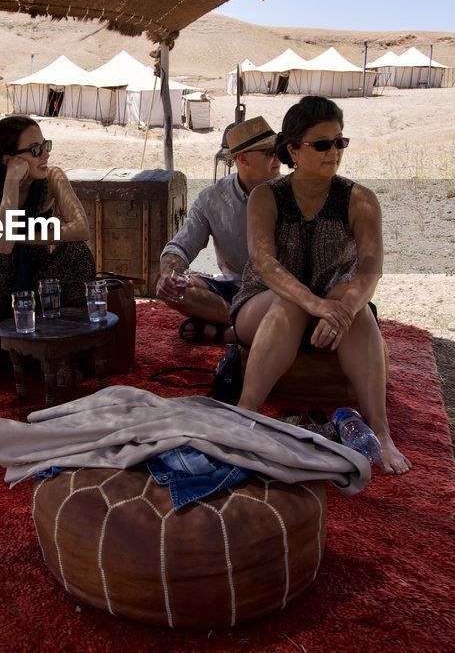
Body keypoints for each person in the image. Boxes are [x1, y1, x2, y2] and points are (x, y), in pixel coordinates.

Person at [230, 96, 411, 475]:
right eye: (322, 144)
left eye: (339, 142)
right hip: (263, 304)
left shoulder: (359, 199)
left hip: (334, 303)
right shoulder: (267, 196)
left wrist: (342, 309)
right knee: (291, 303)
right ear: (293, 149)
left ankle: (380, 429)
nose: (334, 152)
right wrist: (315, 304)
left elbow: (370, 270)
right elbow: (264, 263)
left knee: (354, 305)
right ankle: (245, 413)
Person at [0, 116, 94, 394]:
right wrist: (11, 181)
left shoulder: (51, 178)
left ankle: (61, 348)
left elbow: (81, 229)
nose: (46, 154)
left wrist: (25, 237)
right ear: (8, 159)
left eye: (45, 145)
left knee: (76, 252)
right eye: (35, 150)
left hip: (38, 277)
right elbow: (4, 245)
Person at [156, 116, 280, 344]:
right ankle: (247, 327)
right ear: (242, 159)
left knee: (294, 305)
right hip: (234, 289)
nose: (277, 158)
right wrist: (168, 276)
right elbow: (180, 247)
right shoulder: (212, 199)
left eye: (278, 150)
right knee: (178, 290)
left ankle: (227, 332)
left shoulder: (291, 195)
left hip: (280, 292)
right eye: (268, 152)